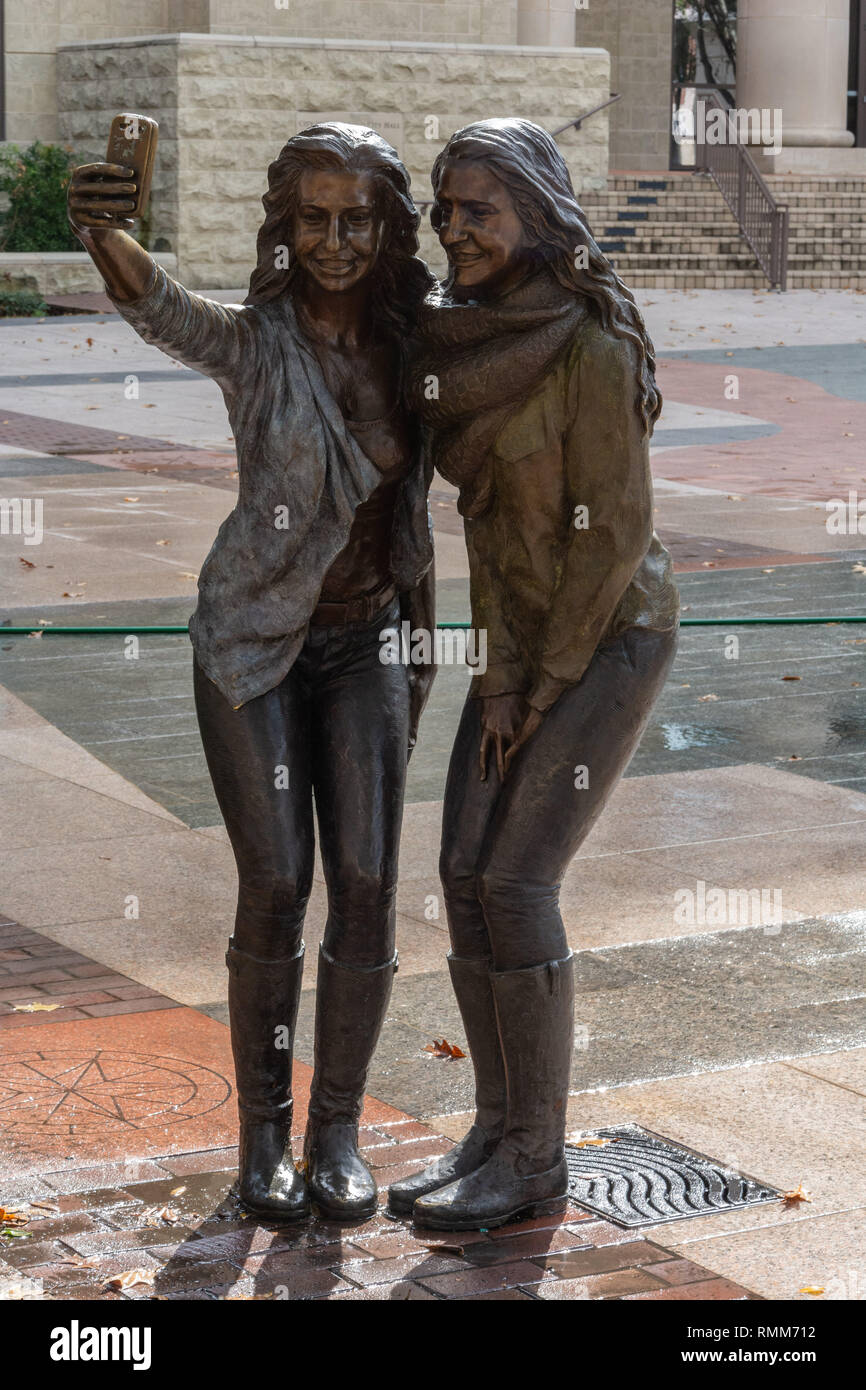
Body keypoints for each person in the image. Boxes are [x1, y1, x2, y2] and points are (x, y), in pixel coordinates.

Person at [68, 123, 436, 1221]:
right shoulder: (258, 342)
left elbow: (524, 344)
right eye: (312, 218)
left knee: (365, 884)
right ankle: (263, 1139)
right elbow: (163, 307)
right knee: (277, 884)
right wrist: (102, 231)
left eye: (355, 219)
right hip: (253, 646)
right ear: (285, 224)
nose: (333, 240)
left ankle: (339, 1136)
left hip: (370, 639)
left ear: (384, 226)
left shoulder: (416, 342)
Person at [388, 119, 680, 1230]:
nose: (455, 229)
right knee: (462, 870)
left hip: (607, 635)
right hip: (521, 640)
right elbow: (495, 533)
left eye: (479, 211)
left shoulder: (589, 349)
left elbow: (605, 538)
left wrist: (545, 682)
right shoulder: (466, 347)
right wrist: (500, 679)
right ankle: (492, 1129)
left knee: (515, 882)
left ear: (537, 217)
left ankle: (537, 1158)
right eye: (445, 209)